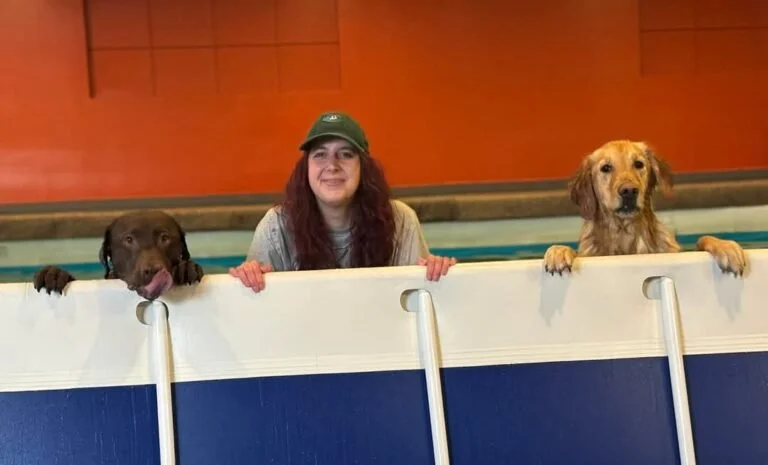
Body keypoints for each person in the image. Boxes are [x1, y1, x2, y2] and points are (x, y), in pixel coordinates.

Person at [229, 111, 457, 292]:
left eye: (346, 154)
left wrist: (437, 271)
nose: (332, 165)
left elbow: (418, 296)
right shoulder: (276, 226)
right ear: (305, 168)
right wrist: (249, 275)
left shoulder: (400, 220)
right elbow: (258, 307)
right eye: (320, 154)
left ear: (364, 167)